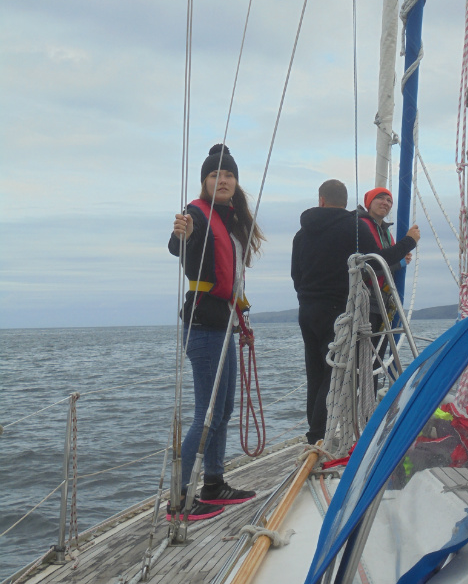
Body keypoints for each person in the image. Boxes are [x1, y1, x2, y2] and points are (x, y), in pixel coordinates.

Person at [168, 143, 265, 521]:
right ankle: (179, 498)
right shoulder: (196, 214)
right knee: (205, 414)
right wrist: (183, 234)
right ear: (204, 181)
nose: (222, 180)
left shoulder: (230, 220)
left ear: (235, 182)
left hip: (225, 325)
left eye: (228, 175)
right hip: (204, 325)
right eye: (214, 175)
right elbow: (180, 244)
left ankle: (213, 483)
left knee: (222, 410)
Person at [291, 179, 419, 444]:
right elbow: (377, 262)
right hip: (339, 309)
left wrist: (307, 297)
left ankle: (314, 435)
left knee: (315, 372)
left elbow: (296, 274)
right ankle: (318, 437)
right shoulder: (354, 227)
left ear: (321, 200)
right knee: (333, 374)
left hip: (307, 309)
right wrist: (409, 241)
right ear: (346, 202)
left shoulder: (301, 234)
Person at [357, 187, 413, 390]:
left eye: (389, 200)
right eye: (380, 198)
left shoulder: (385, 232)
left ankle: (369, 402)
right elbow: (372, 265)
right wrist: (401, 262)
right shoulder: (361, 226)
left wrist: (400, 259)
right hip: (366, 302)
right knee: (365, 359)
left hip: (382, 302)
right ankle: (362, 400)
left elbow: (387, 259)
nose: (385, 203)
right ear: (368, 203)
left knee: (376, 360)